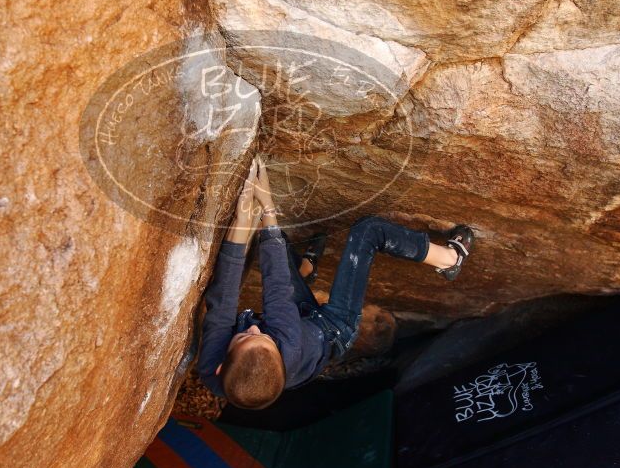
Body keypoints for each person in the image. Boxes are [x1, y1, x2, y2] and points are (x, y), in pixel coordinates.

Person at [198, 158, 475, 410]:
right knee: (368, 230)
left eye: (247, 336)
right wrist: (268, 208)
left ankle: (306, 270)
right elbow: (276, 288)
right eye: (263, 336)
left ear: (221, 367)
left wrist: (242, 219)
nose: (256, 327)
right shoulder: (288, 345)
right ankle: (450, 260)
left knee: (269, 241)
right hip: (333, 328)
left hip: (298, 326)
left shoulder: (214, 368)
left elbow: (222, 300)